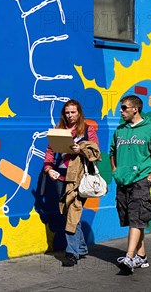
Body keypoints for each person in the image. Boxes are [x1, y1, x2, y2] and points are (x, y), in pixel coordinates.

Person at [110, 95, 151, 274]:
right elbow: (112, 152)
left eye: (124, 108)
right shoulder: (120, 130)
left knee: (136, 219)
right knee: (134, 219)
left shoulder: (150, 130)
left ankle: (129, 257)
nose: (121, 111)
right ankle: (141, 257)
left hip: (141, 180)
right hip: (123, 181)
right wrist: (115, 171)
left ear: (135, 109)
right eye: (121, 108)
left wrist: (149, 178)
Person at [43, 99, 100, 267]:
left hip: (78, 178)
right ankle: (81, 247)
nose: (70, 115)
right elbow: (50, 152)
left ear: (79, 113)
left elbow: (95, 152)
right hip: (60, 177)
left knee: (72, 212)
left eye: (73, 112)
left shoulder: (88, 130)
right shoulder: (58, 131)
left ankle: (72, 252)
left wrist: (80, 149)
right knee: (68, 213)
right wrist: (48, 169)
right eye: (67, 112)